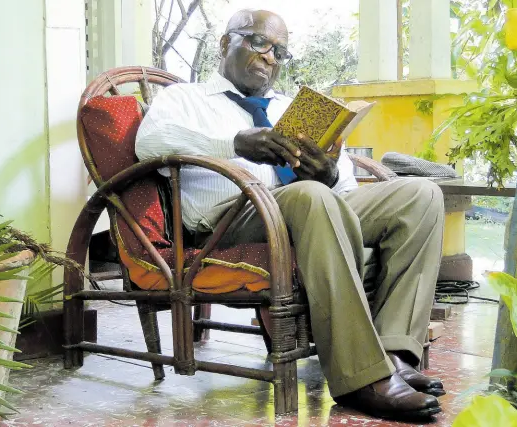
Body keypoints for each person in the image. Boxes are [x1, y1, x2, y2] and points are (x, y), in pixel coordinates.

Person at [136, 9, 446, 421]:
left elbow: (344, 189)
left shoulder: (291, 107)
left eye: (280, 51)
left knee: (420, 195)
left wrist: (331, 173)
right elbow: (149, 143)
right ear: (226, 43)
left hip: (305, 203)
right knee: (310, 197)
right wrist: (234, 143)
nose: (271, 57)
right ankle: (360, 378)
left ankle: (395, 353)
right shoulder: (185, 99)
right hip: (229, 221)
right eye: (259, 42)